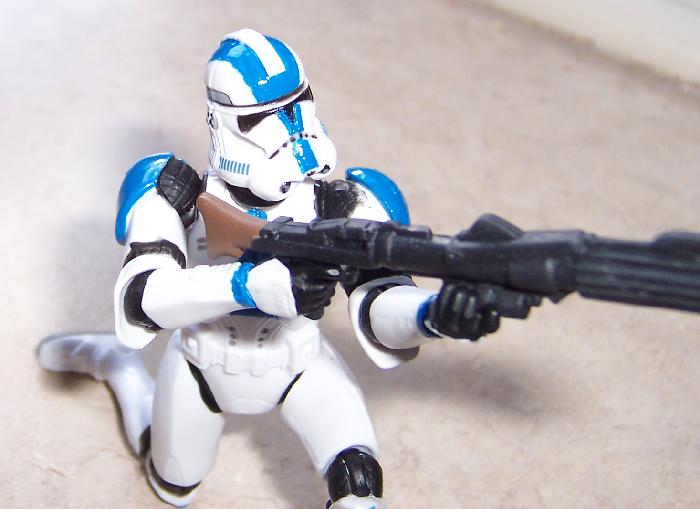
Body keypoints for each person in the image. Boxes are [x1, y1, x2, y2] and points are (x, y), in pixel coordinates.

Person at [38, 29, 511, 509]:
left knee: (359, 484)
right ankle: (118, 368)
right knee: (172, 486)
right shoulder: (174, 193)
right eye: (262, 116)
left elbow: (379, 302)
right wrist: (248, 285)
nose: (288, 129)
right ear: (221, 120)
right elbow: (142, 299)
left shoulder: (342, 203)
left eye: (296, 104)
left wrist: (432, 314)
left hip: (299, 361)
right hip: (201, 365)